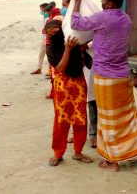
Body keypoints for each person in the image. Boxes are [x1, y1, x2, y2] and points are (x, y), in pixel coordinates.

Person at [71, 0, 137, 172]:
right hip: (122, 76)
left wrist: (78, 1)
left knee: (109, 119)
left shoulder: (102, 17)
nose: (101, 2)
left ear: (110, 2)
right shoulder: (125, 19)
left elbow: (76, 24)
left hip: (105, 77)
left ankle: (113, 161)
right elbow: (106, 38)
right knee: (131, 116)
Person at [45, 20, 93, 166]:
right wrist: (67, 49)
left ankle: (78, 152)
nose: (54, 35)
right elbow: (60, 68)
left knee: (80, 119)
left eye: (56, 31)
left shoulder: (75, 42)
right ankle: (58, 153)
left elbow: (88, 61)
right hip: (62, 86)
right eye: (50, 34)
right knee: (61, 120)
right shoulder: (51, 48)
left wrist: (81, 46)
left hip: (78, 83)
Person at [31, 3, 49, 75]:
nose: (41, 10)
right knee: (41, 54)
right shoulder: (43, 16)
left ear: (45, 8)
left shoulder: (49, 16)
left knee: (49, 55)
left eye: (41, 8)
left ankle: (50, 71)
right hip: (43, 37)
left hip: (48, 37)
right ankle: (39, 68)